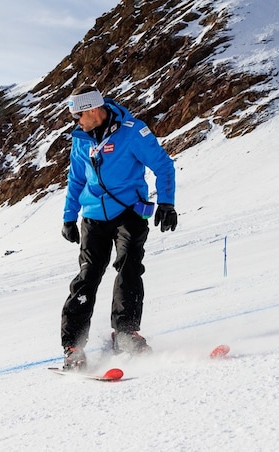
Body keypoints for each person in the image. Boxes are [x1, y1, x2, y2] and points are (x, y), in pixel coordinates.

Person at [60, 85, 178, 371]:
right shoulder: (81, 139)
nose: (77, 122)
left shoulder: (133, 132)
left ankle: (126, 333)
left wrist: (166, 203)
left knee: (128, 266)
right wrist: (69, 217)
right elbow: (76, 180)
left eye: (79, 116)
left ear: (92, 110)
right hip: (93, 217)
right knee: (88, 276)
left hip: (130, 213)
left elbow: (163, 166)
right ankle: (73, 346)